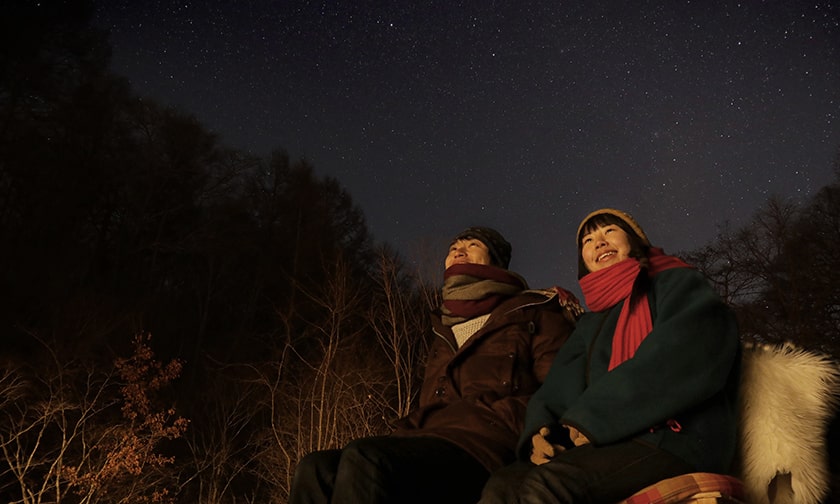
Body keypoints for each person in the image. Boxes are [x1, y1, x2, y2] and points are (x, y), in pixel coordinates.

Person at [288, 226, 582, 504]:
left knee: (366, 458)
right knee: (314, 468)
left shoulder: (534, 311)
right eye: (454, 246)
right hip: (427, 438)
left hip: (487, 442)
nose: (459, 250)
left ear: (496, 261)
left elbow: (558, 389)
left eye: (472, 245)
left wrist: (538, 433)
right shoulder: (442, 328)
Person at [478, 208, 742, 503]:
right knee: (503, 486)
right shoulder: (590, 323)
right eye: (588, 241)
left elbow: (682, 353)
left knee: (550, 484)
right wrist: (538, 433)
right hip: (607, 441)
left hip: (675, 437)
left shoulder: (676, 283)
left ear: (634, 241)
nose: (599, 242)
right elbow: (558, 385)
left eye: (609, 232)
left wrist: (590, 419)